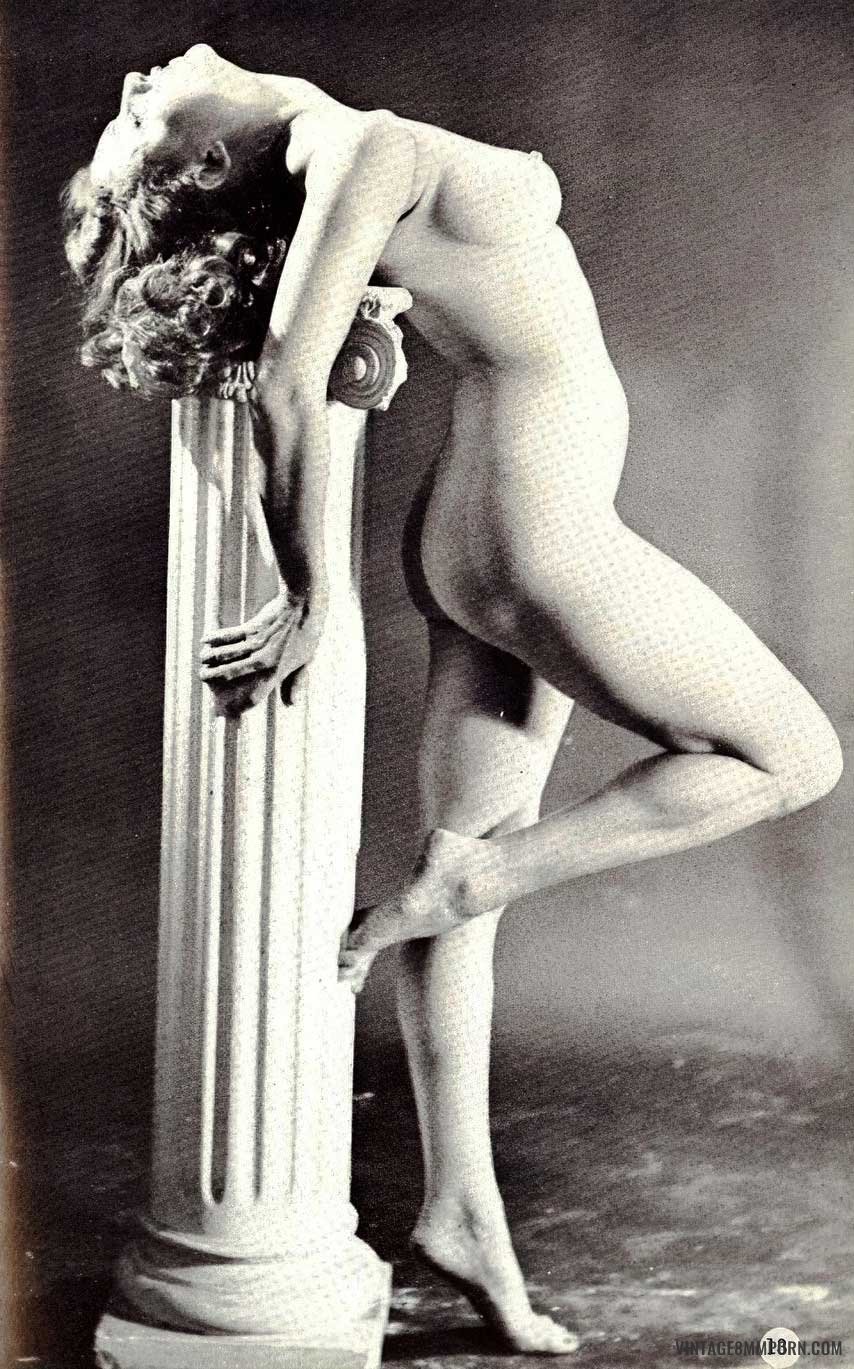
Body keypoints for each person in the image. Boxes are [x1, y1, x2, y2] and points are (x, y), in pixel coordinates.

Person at [63, 44, 843, 1356]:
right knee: (792, 756)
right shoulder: (356, 152)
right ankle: (483, 877)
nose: (138, 80)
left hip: (490, 521)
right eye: (136, 121)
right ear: (207, 159)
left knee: (451, 888)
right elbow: (287, 383)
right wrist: (315, 587)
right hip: (534, 531)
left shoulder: (343, 159)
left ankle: (462, 1213)